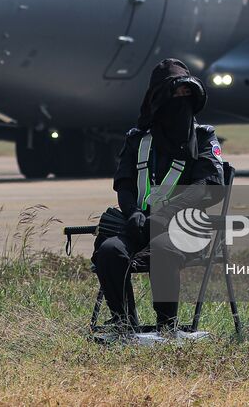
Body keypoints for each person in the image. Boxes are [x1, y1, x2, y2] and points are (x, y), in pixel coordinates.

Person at [92, 57, 225, 342]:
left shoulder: (203, 138)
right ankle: (124, 326)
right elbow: (124, 183)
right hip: (138, 225)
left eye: (187, 94)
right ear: (159, 99)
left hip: (184, 227)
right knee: (110, 250)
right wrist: (132, 213)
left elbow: (209, 187)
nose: (182, 101)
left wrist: (165, 214)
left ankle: (167, 327)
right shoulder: (137, 139)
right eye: (176, 94)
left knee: (164, 249)